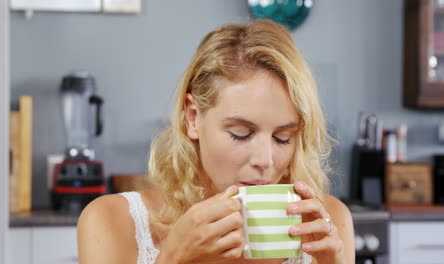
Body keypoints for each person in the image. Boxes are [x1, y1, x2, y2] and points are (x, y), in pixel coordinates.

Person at [77, 19, 355, 264]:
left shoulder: (329, 221)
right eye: (241, 134)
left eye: (283, 138)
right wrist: (174, 257)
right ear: (193, 117)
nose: (265, 160)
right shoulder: (113, 220)